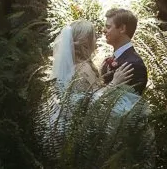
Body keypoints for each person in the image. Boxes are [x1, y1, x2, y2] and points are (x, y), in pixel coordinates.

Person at [43, 15, 143, 145]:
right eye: (94, 36)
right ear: (86, 41)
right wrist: (114, 83)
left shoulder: (75, 66)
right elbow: (90, 102)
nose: (97, 38)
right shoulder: (84, 68)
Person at [99, 7, 149, 94]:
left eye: (108, 27)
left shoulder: (134, 64)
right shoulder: (112, 58)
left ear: (122, 28)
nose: (103, 30)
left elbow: (126, 101)